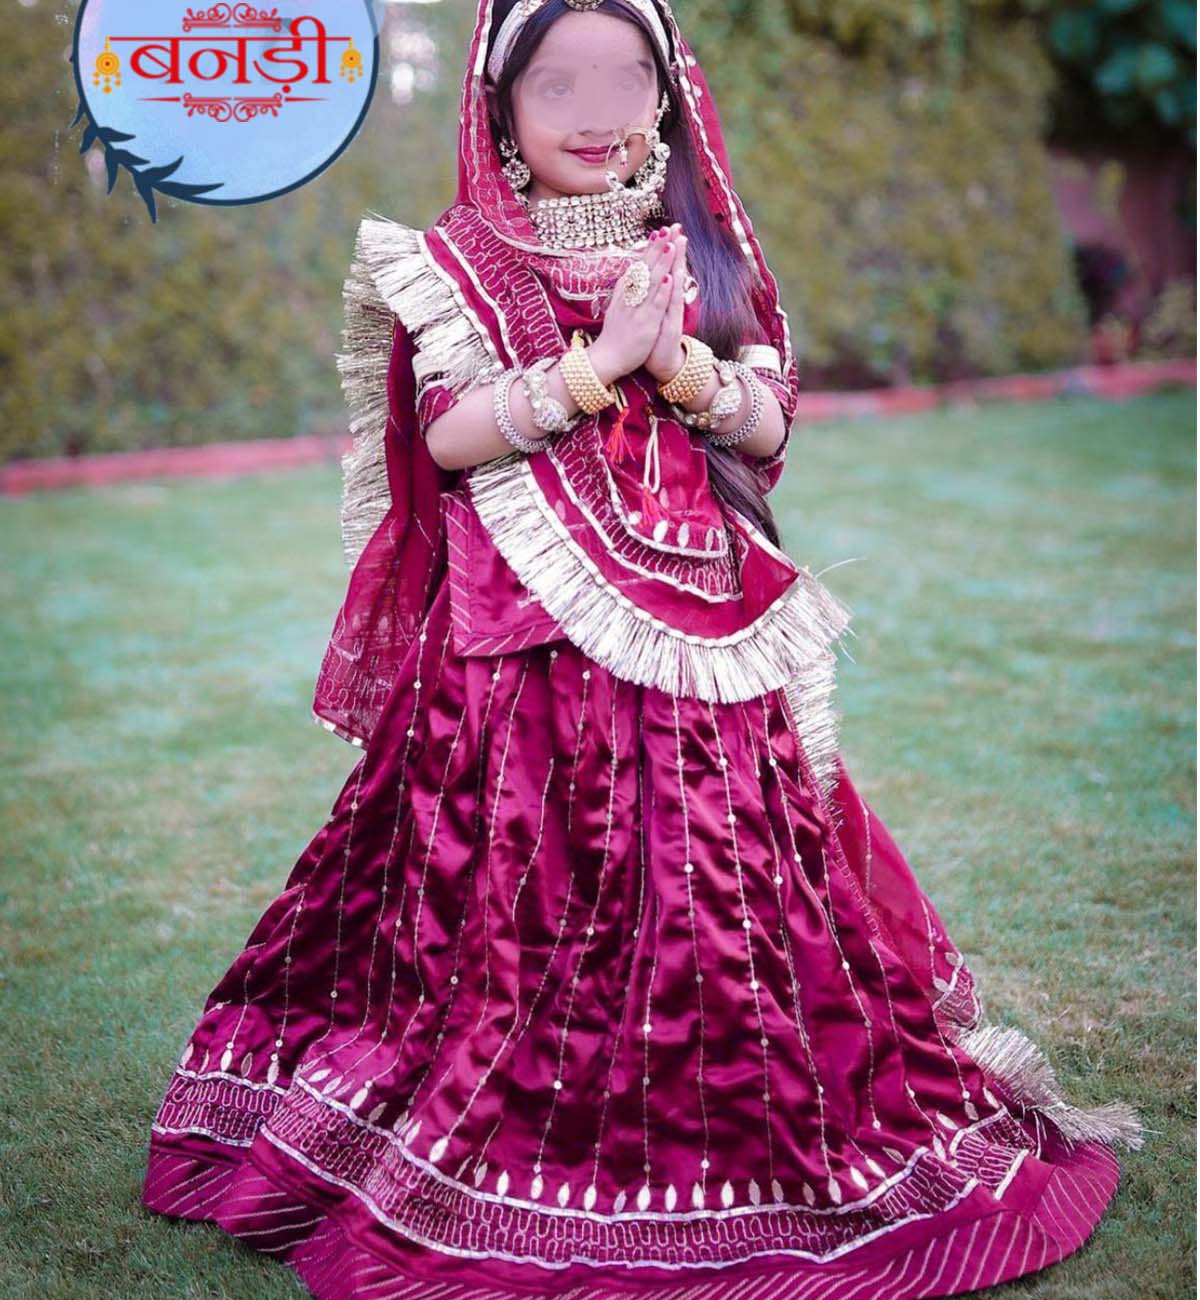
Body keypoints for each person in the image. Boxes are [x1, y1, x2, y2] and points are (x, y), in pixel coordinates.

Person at [140, 1, 1146, 1296]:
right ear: (497, 105)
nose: (595, 108)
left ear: (666, 98)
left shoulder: (701, 249)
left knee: (719, 904)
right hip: (513, 671)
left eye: (627, 75)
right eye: (557, 80)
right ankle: (507, 1153)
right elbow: (444, 437)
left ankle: (727, 1142)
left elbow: (769, 432)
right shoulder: (458, 262)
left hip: (697, 656)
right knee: (511, 909)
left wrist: (672, 361)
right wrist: (593, 364)